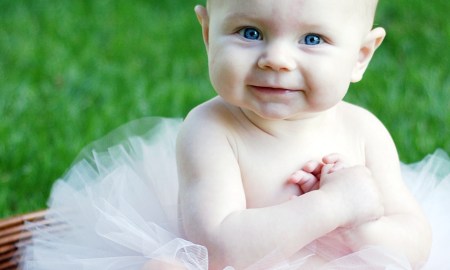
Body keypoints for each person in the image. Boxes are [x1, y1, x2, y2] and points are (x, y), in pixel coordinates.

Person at [21, 0, 449, 269]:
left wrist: (359, 230)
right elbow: (219, 250)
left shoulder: (362, 131)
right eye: (250, 33)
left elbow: (417, 242)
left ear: (360, 56)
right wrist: (332, 205)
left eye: (312, 39)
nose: (277, 59)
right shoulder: (211, 131)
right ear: (208, 34)